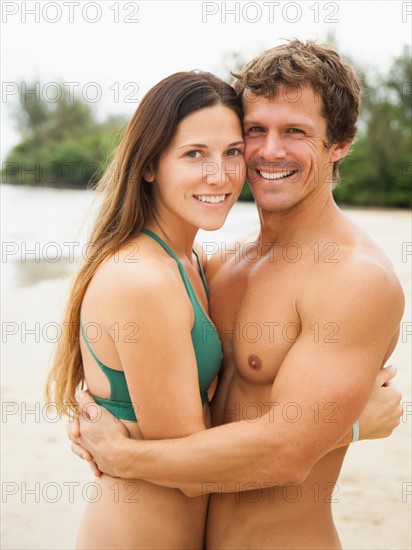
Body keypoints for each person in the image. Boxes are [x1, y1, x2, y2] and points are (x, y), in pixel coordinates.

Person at [68, 41, 404, 549]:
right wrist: (348, 427)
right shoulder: (217, 267)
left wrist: (125, 457)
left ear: (341, 144)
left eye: (295, 131)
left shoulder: (355, 279)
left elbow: (286, 454)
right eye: (254, 131)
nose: (269, 151)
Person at [45, 71, 248, 549]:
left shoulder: (188, 261)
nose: (219, 176)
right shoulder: (143, 282)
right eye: (194, 154)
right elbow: (193, 470)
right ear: (150, 164)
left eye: (232, 152)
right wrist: (339, 425)